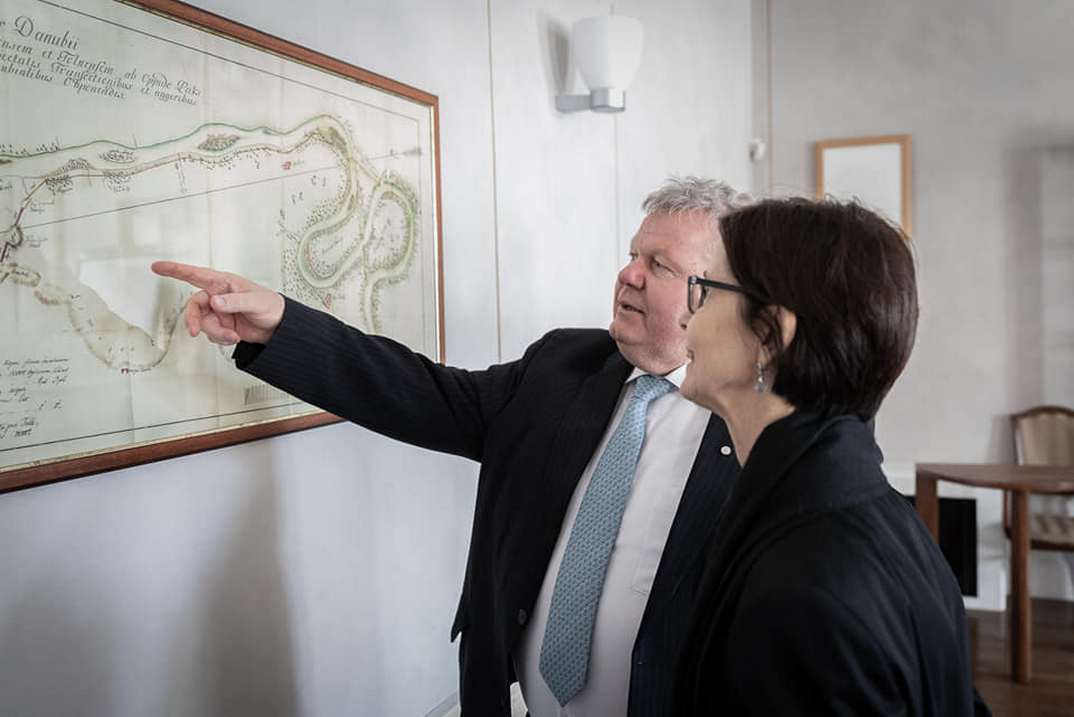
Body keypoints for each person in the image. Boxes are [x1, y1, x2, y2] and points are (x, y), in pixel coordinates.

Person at [152, 177, 751, 717]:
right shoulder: (564, 365)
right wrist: (281, 324)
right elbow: (421, 393)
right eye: (632, 255)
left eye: (658, 265)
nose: (629, 274)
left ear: (717, 294)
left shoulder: (755, 429)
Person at [673, 197, 990, 715]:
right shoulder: (879, 517)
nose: (687, 314)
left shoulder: (803, 595)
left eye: (706, 292)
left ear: (770, 336)